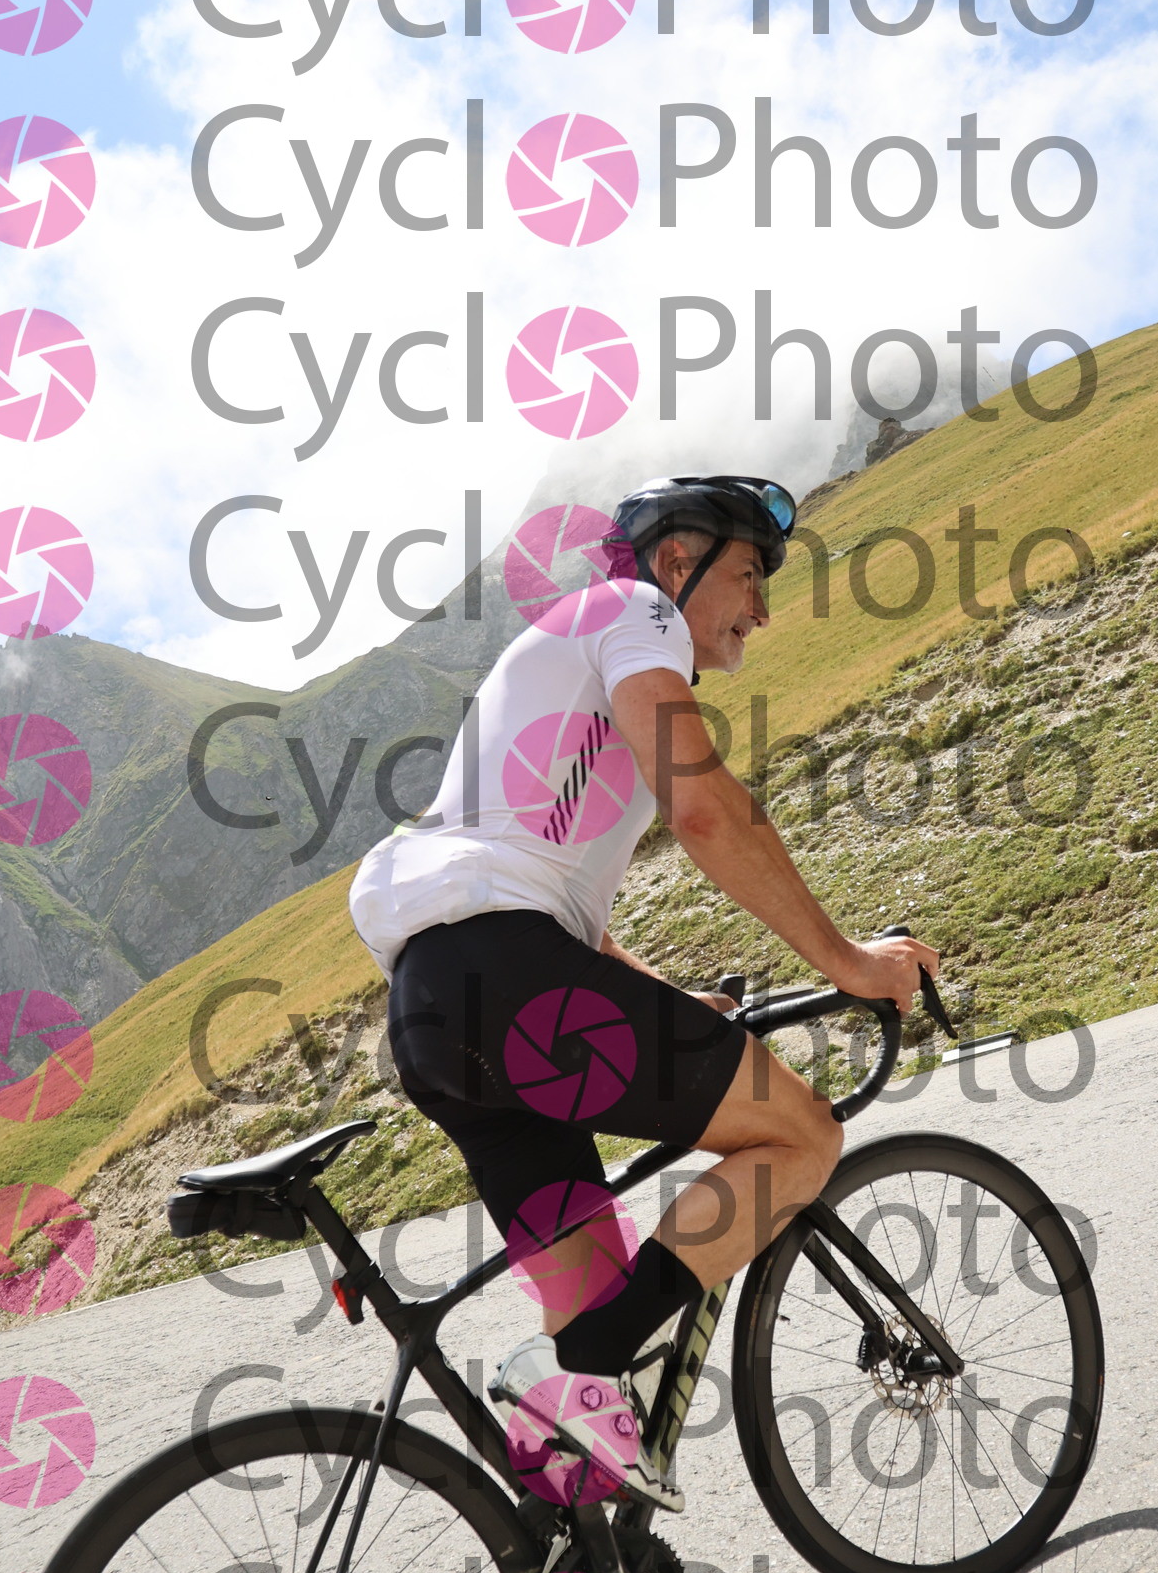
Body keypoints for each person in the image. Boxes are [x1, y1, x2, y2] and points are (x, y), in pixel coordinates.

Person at [349, 475, 938, 1512]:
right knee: (799, 1135)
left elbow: (548, 904)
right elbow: (705, 809)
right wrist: (848, 962)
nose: (760, 609)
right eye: (749, 575)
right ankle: (574, 1375)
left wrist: (669, 1002)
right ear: (677, 561)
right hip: (514, 988)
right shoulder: (635, 612)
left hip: (442, 1016)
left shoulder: (564, 669)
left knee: (586, 1385)